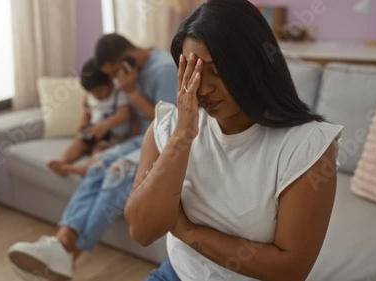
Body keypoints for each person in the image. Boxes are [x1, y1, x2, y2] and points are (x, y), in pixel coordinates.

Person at [124, 1, 344, 280]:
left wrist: (188, 231)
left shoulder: (308, 146)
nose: (203, 89)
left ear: (256, 65)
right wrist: (182, 137)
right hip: (175, 274)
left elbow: (291, 269)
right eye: (193, 72)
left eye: (217, 71)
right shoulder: (169, 125)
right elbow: (141, 231)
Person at [8, 33, 177, 281]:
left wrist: (131, 91)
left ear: (126, 58)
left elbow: (169, 124)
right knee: (97, 166)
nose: (113, 81)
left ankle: (67, 255)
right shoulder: (133, 67)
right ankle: (60, 241)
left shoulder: (163, 69)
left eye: (112, 72)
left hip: (161, 141)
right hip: (139, 138)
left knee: (116, 173)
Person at [48, 58, 131, 177]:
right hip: (92, 131)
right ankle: (62, 161)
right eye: (92, 92)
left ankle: (87, 167)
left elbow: (125, 114)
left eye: (99, 91)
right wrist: (82, 123)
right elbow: (87, 112)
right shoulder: (90, 97)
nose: (96, 95)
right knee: (78, 143)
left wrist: (105, 125)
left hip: (111, 135)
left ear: (110, 82)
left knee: (100, 148)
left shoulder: (118, 94)